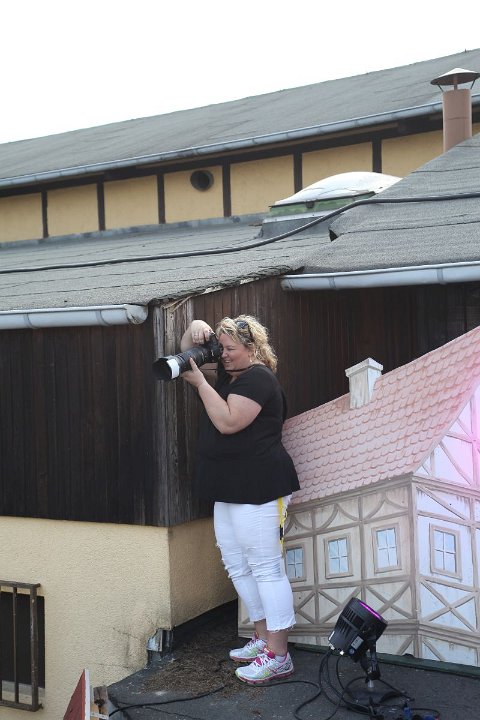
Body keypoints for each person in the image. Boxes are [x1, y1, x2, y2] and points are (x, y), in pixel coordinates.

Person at [180, 314, 300, 685]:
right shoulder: (230, 374)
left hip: (259, 486)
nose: (223, 355)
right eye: (221, 348)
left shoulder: (259, 378)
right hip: (228, 486)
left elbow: (229, 422)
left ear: (252, 349)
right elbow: (186, 355)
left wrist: (201, 384)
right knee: (237, 564)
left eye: (230, 349)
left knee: (265, 568)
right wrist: (195, 326)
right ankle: (262, 639)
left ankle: (279, 655)